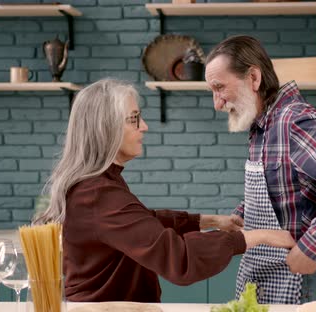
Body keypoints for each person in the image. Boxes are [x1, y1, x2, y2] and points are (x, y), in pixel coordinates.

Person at [33, 78, 296, 303]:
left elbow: (143, 222)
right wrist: (258, 236)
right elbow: (180, 259)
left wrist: (211, 221)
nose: (144, 127)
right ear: (107, 128)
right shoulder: (97, 194)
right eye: (135, 119)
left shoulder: (97, 186)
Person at [205, 36, 316, 304]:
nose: (217, 103)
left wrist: (312, 246)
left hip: (298, 282)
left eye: (220, 88)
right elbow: (282, 190)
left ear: (253, 78)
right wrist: (241, 216)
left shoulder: (291, 120)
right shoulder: (262, 127)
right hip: (266, 275)